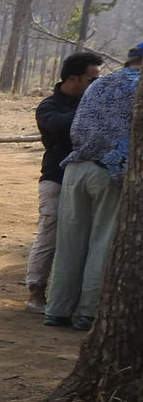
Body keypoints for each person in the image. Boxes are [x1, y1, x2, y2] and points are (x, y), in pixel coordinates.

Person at [44, 42, 141, 330]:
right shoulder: (139, 88)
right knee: (102, 241)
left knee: (69, 244)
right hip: (109, 171)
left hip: (75, 168)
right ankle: (88, 312)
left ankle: (57, 310)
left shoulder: (98, 84)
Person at [26, 51, 103, 312]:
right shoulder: (48, 107)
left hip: (85, 181)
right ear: (73, 78)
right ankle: (36, 290)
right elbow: (60, 127)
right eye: (91, 80)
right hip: (55, 180)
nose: (96, 86)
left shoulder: (89, 102)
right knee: (50, 234)